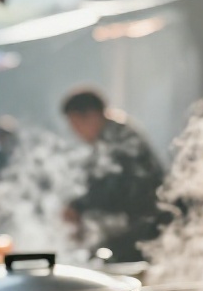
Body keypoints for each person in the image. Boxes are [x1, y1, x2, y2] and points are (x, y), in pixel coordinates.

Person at [60, 90, 165, 262]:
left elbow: (115, 189)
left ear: (92, 115)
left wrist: (79, 207)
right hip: (131, 230)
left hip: (144, 232)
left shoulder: (121, 140)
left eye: (76, 123)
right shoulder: (108, 139)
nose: (75, 132)